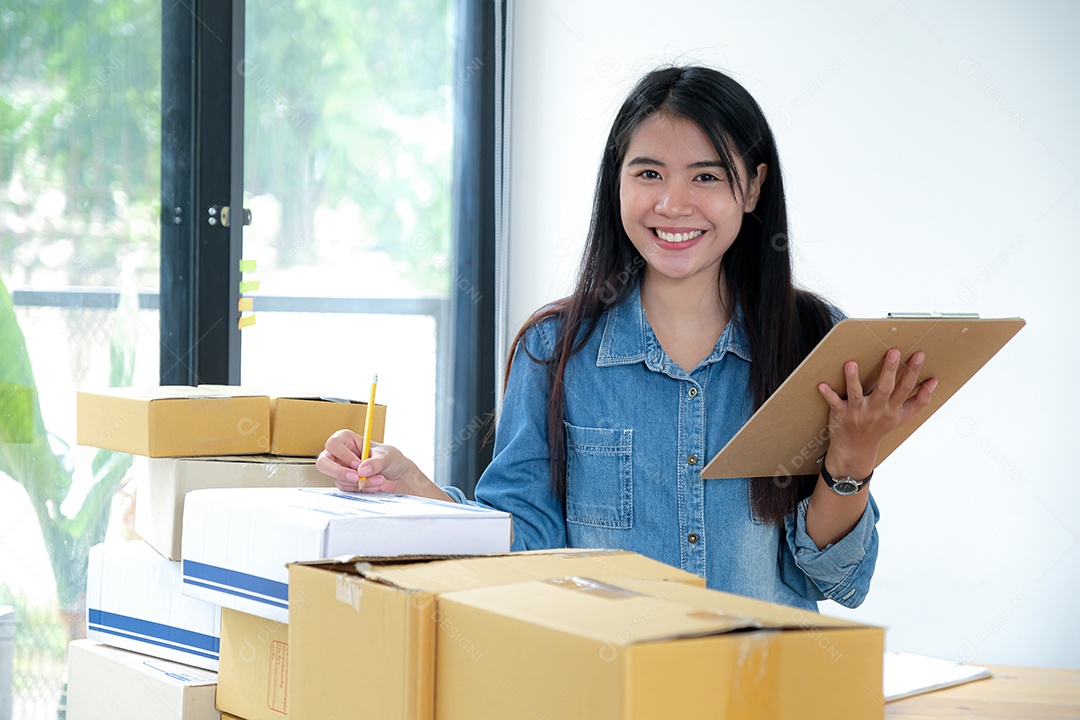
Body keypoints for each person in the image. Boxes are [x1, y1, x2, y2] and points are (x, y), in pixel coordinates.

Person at [316, 65, 937, 611]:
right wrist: (414, 490)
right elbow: (525, 548)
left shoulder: (813, 342)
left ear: (752, 187)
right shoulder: (554, 352)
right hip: (613, 684)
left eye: (706, 177)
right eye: (649, 173)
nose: (673, 203)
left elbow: (838, 580)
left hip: (767, 685)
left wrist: (852, 460)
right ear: (617, 182)